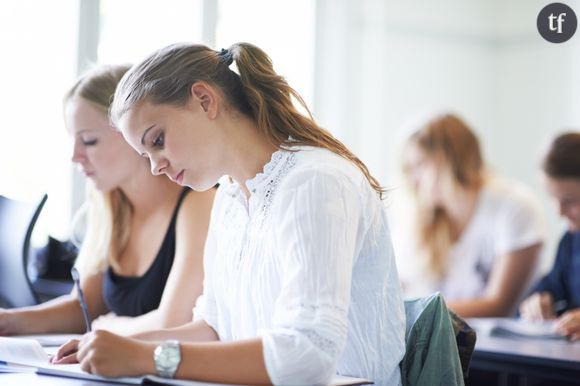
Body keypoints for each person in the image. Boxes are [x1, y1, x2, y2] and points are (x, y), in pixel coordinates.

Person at [53, 43, 406, 385]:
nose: (157, 167)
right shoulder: (230, 200)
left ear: (205, 100)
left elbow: (308, 354)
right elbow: (215, 328)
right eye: (145, 156)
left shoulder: (313, 181)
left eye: (157, 140)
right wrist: (117, 346)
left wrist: (147, 357)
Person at [0, 65, 214, 336]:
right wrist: (8, 320)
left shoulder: (198, 202)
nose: (75, 156)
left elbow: (174, 322)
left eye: (88, 140)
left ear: (133, 133)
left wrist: (108, 327)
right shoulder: (111, 207)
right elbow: (84, 309)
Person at [395, 113, 545, 317]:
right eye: (409, 169)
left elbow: (498, 305)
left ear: (451, 161)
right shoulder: (424, 221)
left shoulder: (513, 207)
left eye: (420, 165)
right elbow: (400, 287)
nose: (413, 180)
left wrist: (414, 311)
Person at [519, 132, 580, 340]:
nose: (559, 212)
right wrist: (537, 302)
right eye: (553, 198)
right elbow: (548, 287)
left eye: (570, 200)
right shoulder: (571, 242)